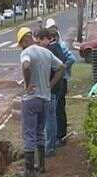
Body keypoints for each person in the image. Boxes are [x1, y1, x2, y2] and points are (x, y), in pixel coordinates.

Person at [17, 27, 65, 177]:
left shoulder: (26, 53)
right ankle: (42, 166)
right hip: (45, 98)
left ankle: (29, 170)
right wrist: (50, 85)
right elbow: (62, 67)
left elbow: (25, 65)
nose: (21, 46)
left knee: (29, 133)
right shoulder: (46, 52)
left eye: (21, 43)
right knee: (39, 132)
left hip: (31, 99)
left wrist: (27, 83)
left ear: (24, 40)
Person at [45, 18, 76, 146]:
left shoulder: (60, 46)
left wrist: (62, 68)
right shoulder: (57, 45)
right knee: (59, 108)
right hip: (61, 80)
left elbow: (72, 58)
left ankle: (60, 136)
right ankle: (60, 135)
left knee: (58, 109)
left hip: (61, 81)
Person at [36, 28, 66, 157]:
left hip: (52, 89)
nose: (38, 44)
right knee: (52, 116)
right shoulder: (57, 47)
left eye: (39, 41)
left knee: (49, 118)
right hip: (57, 87)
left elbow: (59, 68)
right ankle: (52, 144)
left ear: (46, 38)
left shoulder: (50, 50)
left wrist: (49, 85)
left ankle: (49, 147)